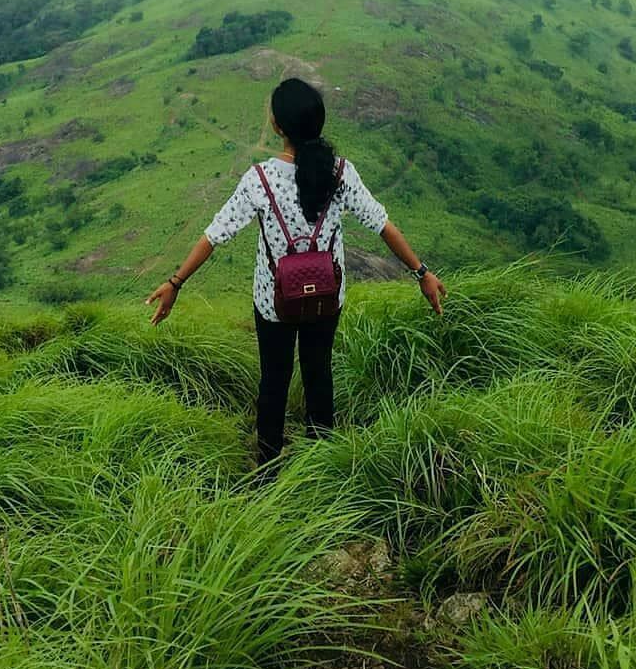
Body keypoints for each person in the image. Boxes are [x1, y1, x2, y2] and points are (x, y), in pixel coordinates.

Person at [145, 77, 447, 466]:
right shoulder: (341, 173)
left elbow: (214, 235)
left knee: (274, 380)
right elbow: (382, 225)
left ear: (277, 127)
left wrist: (176, 283)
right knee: (319, 374)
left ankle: (267, 468)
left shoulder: (260, 180)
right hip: (327, 298)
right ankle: (323, 464)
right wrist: (421, 272)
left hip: (275, 302)